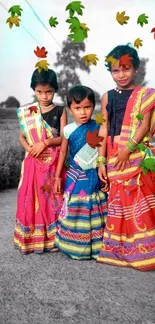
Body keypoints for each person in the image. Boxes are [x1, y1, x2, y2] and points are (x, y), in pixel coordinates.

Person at [96, 44, 155, 271]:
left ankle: (145, 252)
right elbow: (103, 129)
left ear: (136, 69)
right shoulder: (107, 97)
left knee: (138, 201)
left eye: (126, 69)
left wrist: (127, 149)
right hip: (112, 153)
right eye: (115, 70)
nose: (121, 75)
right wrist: (101, 161)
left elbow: (144, 125)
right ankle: (122, 250)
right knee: (118, 202)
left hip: (135, 152)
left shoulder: (146, 95)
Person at [14, 68, 67, 254]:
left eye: (49, 91)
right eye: (39, 92)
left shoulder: (60, 110)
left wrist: (45, 142)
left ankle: (53, 239)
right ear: (34, 90)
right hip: (33, 163)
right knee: (32, 200)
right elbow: (22, 137)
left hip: (52, 163)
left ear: (55, 90)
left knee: (51, 199)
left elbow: (63, 138)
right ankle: (33, 239)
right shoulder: (28, 112)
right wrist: (30, 149)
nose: (44, 96)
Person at [54, 85, 108, 260]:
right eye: (78, 108)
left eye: (87, 107)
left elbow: (102, 149)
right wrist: (57, 176)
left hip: (93, 175)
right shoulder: (68, 130)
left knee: (94, 206)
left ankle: (96, 246)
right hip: (75, 176)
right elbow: (63, 152)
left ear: (93, 106)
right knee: (75, 208)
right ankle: (74, 245)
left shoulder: (98, 126)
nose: (83, 112)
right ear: (70, 109)